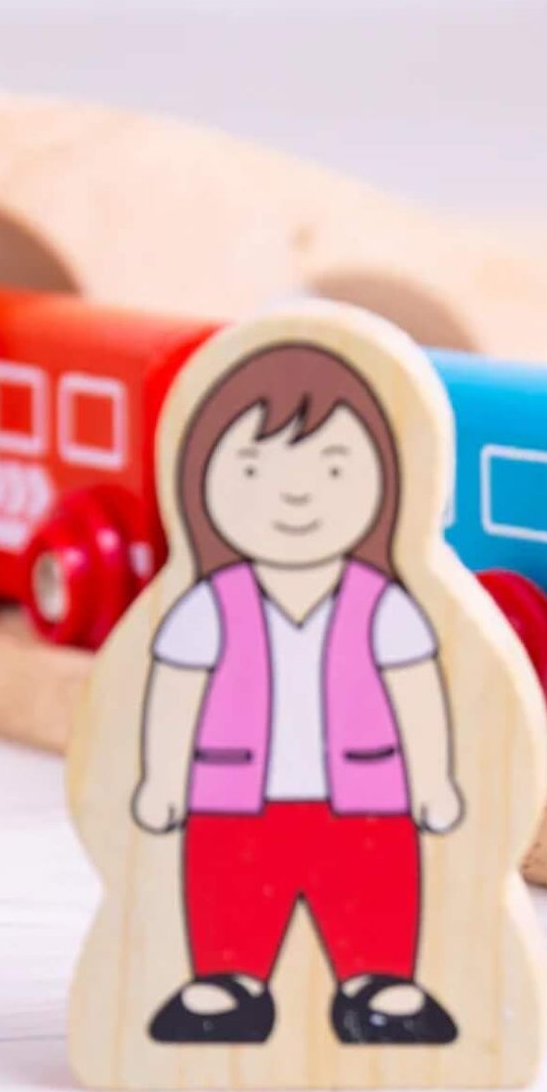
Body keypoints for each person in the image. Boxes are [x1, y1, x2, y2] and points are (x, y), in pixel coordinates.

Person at [131, 342, 465, 1045]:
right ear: (201, 480)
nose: (295, 492)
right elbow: (173, 690)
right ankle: (228, 980)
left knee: (373, 893)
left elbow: (417, 694)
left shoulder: (386, 606)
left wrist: (433, 778)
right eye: (254, 467)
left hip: (367, 799)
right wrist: (162, 776)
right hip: (230, 799)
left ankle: (377, 980)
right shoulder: (206, 606)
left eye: (333, 467)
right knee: (228, 894)